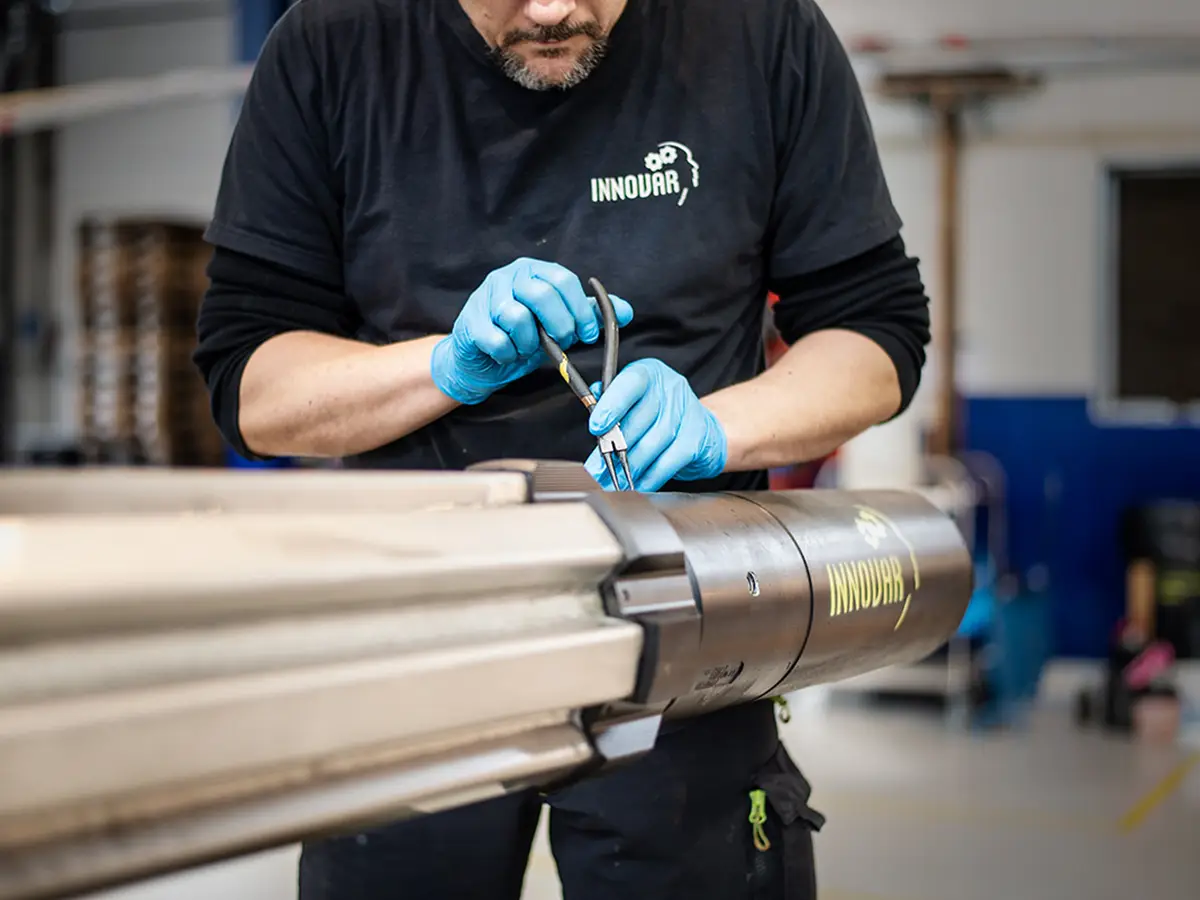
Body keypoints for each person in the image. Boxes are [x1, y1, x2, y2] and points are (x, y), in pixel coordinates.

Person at [193, 1, 932, 897]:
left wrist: (714, 429)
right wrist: (445, 368)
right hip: (415, 647)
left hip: (689, 630)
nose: (550, 8)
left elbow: (877, 333)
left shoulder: (758, 29)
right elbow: (252, 382)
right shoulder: (333, 44)